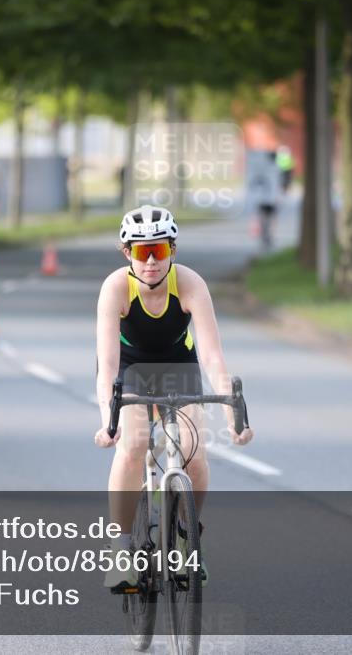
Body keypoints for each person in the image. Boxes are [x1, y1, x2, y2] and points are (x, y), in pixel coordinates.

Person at [93, 205, 254, 590]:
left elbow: (213, 357)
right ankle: (121, 548)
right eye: (140, 251)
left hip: (178, 369)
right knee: (132, 446)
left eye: (159, 251)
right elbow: (108, 366)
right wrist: (107, 421)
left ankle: (186, 537)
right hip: (129, 372)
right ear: (126, 253)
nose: (149, 261)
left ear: (173, 251)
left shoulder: (191, 284)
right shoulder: (116, 287)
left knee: (194, 454)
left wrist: (234, 416)